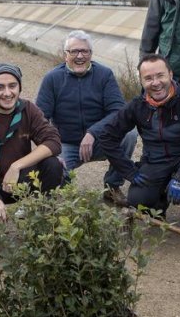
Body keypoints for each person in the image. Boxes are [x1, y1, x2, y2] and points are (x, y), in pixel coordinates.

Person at [101, 54, 180, 223]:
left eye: (160, 75)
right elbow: (107, 137)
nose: (156, 83)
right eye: (148, 78)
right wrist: (129, 171)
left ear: (170, 75)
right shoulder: (136, 106)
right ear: (141, 81)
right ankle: (158, 207)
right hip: (155, 161)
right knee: (138, 199)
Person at [35, 30, 137, 206]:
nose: (80, 56)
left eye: (84, 51)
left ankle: (112, 186)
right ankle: (52, 197)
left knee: (129, 134)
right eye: (74, 51)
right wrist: (50, 147)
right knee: (55, 174)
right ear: (65, 55)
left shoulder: (104, 75)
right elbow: (40, 118)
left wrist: (93, 133)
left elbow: (118, 111)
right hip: (66, 143)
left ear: (91, 53)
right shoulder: (52, 78)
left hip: (100, 141)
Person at [0, 63, 64, 223]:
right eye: (0, 87)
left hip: (19, 178)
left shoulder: (28, 110)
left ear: (19, 87)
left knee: (52, 164)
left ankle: (42, 217)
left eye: (12, 86)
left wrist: (16, 166)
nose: (7, 93)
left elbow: (53, 141)